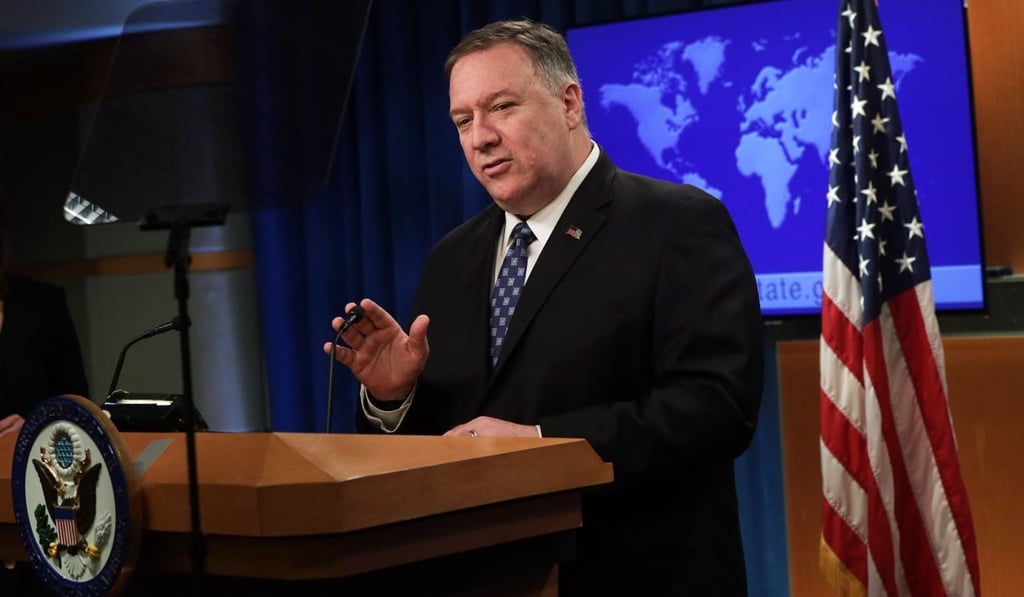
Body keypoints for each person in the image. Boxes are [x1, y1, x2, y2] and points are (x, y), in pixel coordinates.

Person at [326, 19, 763, 595]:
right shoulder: (452, 257)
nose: (480, 137)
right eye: (463, 121)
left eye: (501, 107)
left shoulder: (677, 223)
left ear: (570, 103)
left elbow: (717, 408)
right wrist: (394, 398)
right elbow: (451, 445)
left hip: (636, 575)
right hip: (483, 575)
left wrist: (538, 442)